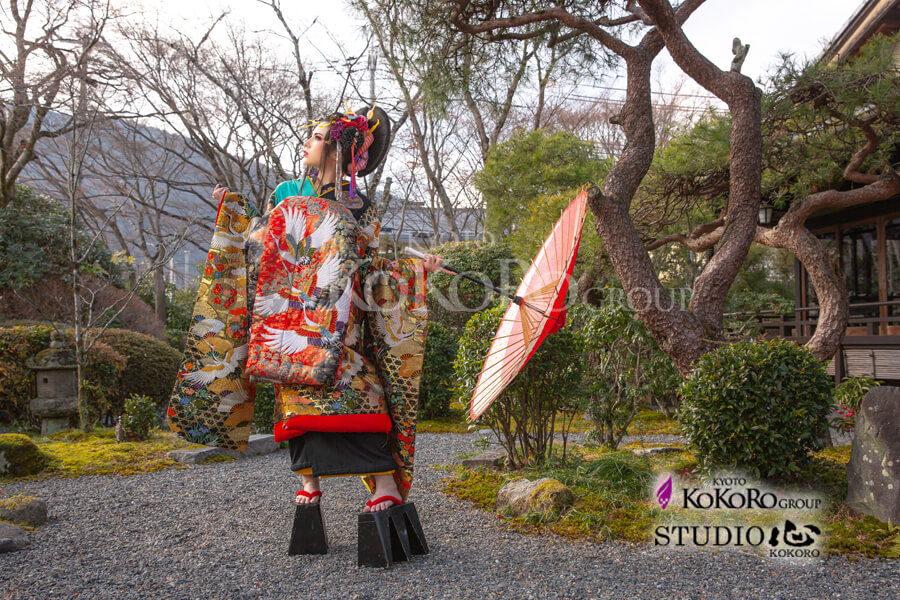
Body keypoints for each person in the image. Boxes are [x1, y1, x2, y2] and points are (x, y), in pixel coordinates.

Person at [168, 105, 443, 514]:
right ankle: (309, 481)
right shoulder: (286, 193)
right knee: (294, 397)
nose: (306, 142)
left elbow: (367, 267)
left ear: (336, 148)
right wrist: (234, 216)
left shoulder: (363, 208)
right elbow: (262, 244)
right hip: (287, 315)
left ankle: (383, 483)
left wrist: (412, 272)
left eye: (315, 137)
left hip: (339, 319)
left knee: (361, 391)